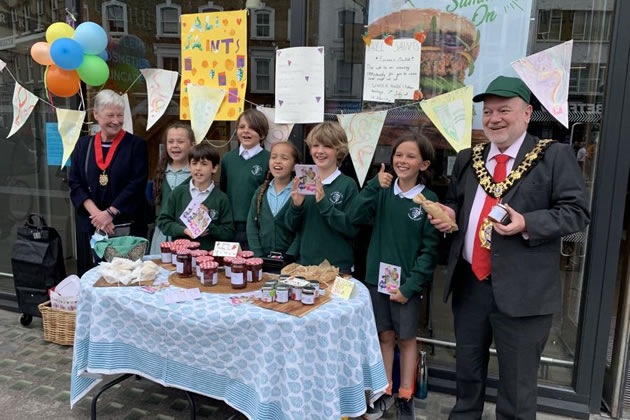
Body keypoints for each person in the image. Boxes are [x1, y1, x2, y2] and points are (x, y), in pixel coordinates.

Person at [429, 76, 590, 419]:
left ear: (527, 113)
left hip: (524, 291)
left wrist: (528, 223)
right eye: (487, 112)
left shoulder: (553, 156)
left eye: (504, 110)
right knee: (466, 375)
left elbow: (577, 212)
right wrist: (448, 213)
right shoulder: (467, 159)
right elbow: (456, 201)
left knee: (518, 387)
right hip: (471, 285)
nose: (494, 118)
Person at [351, 136, 440, 420]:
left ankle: (405, 394)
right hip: (377, 278)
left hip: (406, 284)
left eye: (410, 156)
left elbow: (430, 250)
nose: (402, 160)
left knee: (407, 338)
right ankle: (383, 391)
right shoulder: (382, 190)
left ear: (423, 164)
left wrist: (411, 285)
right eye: (398, 154)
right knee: (384, 335)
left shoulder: (428, 200)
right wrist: (373, 186)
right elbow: (355, 215)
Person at [69, 89, 148, 276]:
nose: (116, 120)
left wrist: (110, 213)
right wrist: (98, 215)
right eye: (110, 115)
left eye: (120, 115)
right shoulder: (83, 145)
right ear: (96, 114)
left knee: (126, 276)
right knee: (96, 275)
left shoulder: (135, 145)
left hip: (126, 226)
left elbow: (136, 183)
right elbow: (75, 182)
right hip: (94, 224)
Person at [286, 121, 359, 273]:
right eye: (315, 145)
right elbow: (290, 226)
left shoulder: (347, 184)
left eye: (327, 146)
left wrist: (324, 204)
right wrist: (296, 206)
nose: (320, 151)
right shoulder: (303, 179)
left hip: (338, 267)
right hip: (306, 265)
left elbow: (351, 228)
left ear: (339, 150)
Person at [157, 141, 235, 250]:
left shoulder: (221, 198)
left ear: (214, 168)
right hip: (181, 256)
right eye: (194, 163)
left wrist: (208, 223)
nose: (198, 168)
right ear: (189, 166)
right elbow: (163, 222)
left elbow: (229, 232)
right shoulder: (178, 193)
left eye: (204, 164)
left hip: (209, 258)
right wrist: (184, 230)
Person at [220, 109, 270, 250]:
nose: (246, 131)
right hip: (230, 226)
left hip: (257, 226)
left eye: (252, 128)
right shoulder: (228, 158)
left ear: (262, 133)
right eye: (242, 127)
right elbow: (223, 189)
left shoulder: (269, 159)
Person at [246, 141, 300, 258]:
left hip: (291, 262)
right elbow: (252, 225)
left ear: (294, 166)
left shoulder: (299, 194)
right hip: (263, 260)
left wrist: (290, 256)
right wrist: (258, 254)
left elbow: (303, 229)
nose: (277, 161)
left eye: (284, 158)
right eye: (273, 157)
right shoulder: (261, 191)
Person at [149, 122, 194, 254]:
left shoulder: (196, 175)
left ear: (192, 145)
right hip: (162, 236)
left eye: (180, 141)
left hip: (186, 237)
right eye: (171, 141)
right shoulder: (161, 173)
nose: (175, 146)